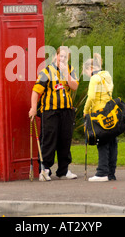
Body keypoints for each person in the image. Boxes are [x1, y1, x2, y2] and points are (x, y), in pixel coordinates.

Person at [29, 46, 79, 181]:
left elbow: (74, 86)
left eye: (65, 57)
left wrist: (66, 74)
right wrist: (33, 108)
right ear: (56, 56)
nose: (62, 59)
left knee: (65, 139)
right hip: (49, 110)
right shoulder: (46, 71)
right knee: (49, 139)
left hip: (67, 110)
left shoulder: (70, 70)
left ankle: (63, 170)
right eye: (60, 56)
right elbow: (36, 91)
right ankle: (44, 170)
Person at [83, 53, 117, 182]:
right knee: (112, 143)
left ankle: (102, 172)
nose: (86, 74)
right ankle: (111, 173)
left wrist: (85, 111)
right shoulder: (107, 75)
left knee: (102, 142)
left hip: (99, 114)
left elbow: (91, 97)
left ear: (89, 68)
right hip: (110, 112)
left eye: (85, 71)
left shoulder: (94, 78)